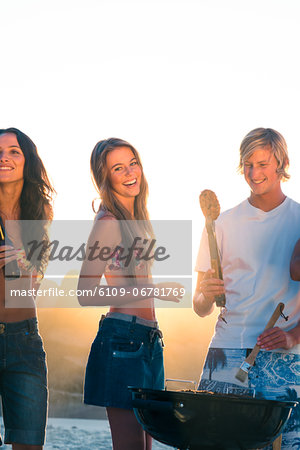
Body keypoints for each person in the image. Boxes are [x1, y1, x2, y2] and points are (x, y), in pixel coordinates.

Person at [193, 128, 300, 449]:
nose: (254, 174)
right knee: (213, 443)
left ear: (281, 162)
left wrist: (293, 336)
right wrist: (206, 295)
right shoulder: (220, 224)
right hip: (227, 351)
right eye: (248, 165)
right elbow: (199, 305)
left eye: (263, 164)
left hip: (286, 357)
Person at [77, 138, 183, 450]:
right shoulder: (109, 222)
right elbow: (85, 292)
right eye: (117, 168)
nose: (129, 172)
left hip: (149, 340)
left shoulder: (136, 219)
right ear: (105, 177)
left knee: (147, 445)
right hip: (124, 339)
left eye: (132, 162)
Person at [0, 128, 54, 449]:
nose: (4, 157)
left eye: (13, 151)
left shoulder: (40, 211)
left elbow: (36, 280)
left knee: (31, 444)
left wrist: (26, 263)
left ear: (27, 160)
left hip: (25, 341)